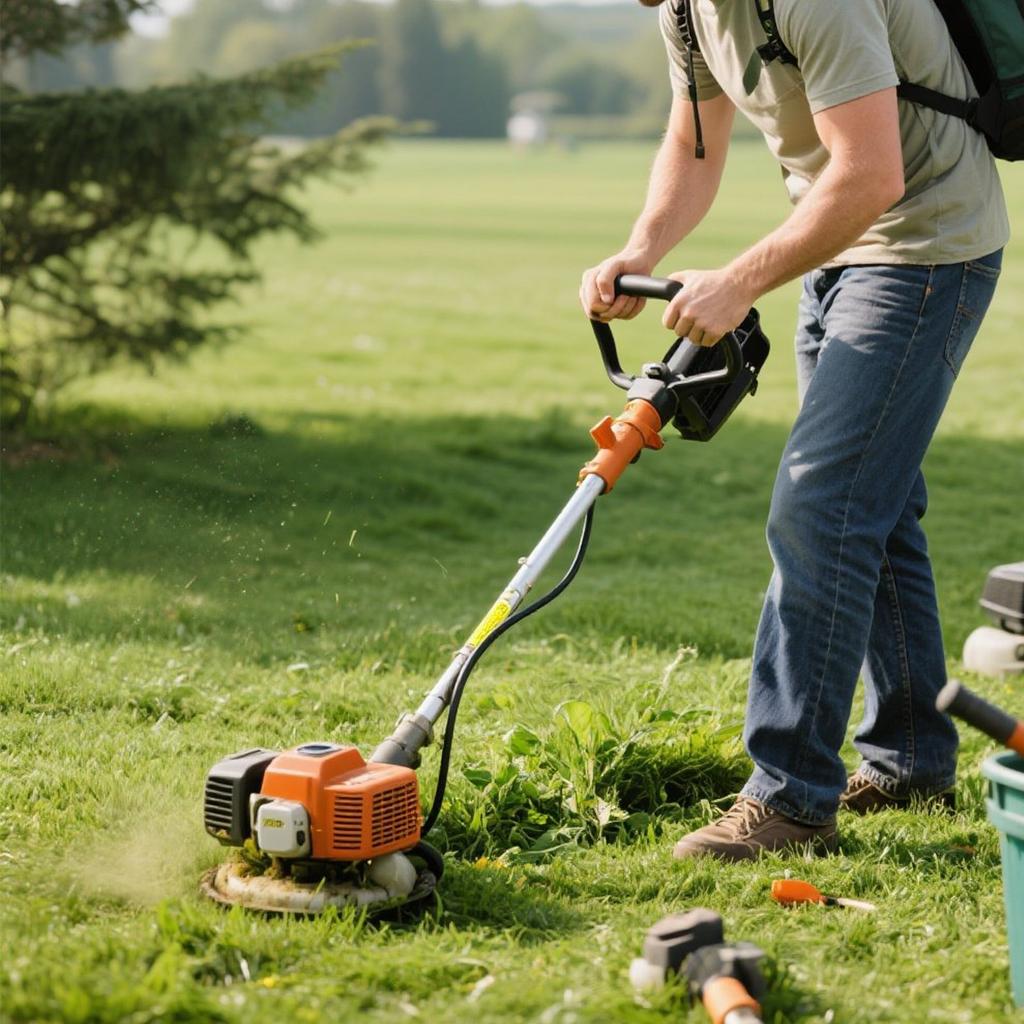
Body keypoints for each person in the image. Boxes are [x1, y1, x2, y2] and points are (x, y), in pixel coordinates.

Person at [580, 0, 1009, 861]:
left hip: (925, 246)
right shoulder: (688, 10)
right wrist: (642, 249)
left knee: (822, 508)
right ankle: (913, 761)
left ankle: (790, 799)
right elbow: (692, 146)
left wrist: (740, 279)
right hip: (838, 249)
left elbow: (874, 175)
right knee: (873, 510)